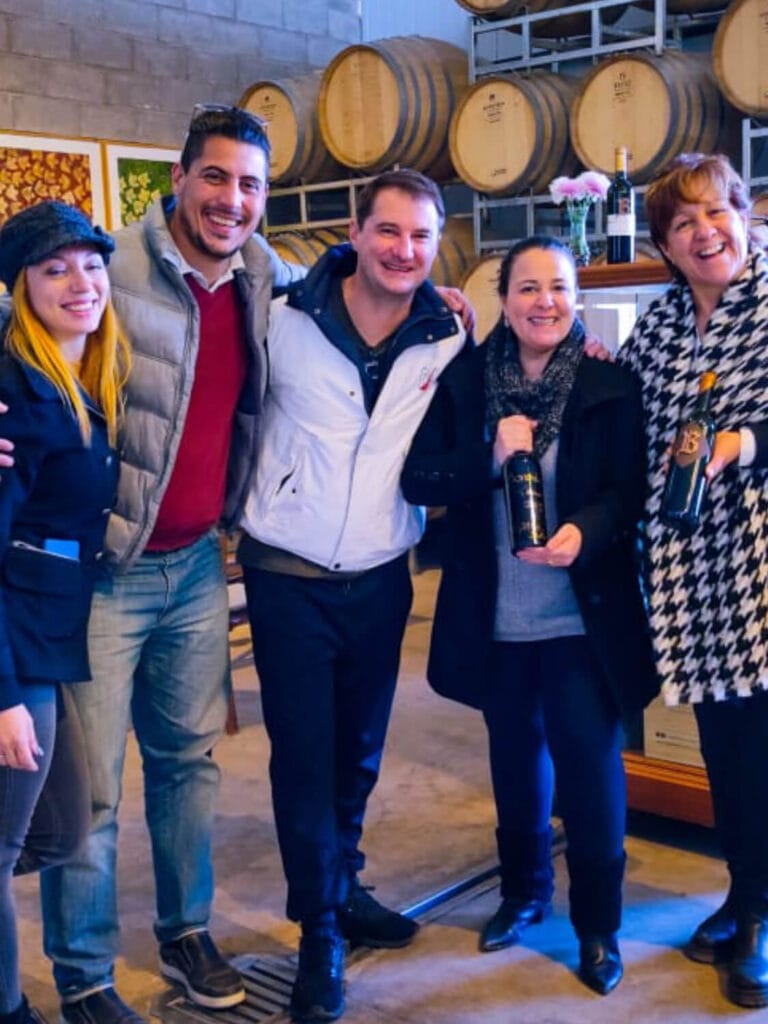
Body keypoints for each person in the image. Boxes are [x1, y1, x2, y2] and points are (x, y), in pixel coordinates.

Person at [33, 106, 306, 1024]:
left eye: (252, 185)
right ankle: (84, 974)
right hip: (107, 571)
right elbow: (17, 313)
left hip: (196, 565)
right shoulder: (110, 267)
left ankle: (186, 929)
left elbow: (354, 287)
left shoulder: (266, 275)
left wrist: (444, 300)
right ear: (179, 181)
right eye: (217, 178)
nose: (233, 200)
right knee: (96, 789)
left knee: (188, 765)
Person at [237, 168, 468, 1022]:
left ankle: (346, 886)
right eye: (389, 232)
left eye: (420, 236)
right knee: (304, 760)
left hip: (379, 575)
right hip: (288, 575)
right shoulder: (284, 318)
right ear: (355, 231)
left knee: (360, 755)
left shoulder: (445, 334)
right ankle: (320, 937)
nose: (404, 251)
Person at [402, 236, 659, 995]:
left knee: (590, 773)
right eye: (527, 288)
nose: (544, 301)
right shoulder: (468, 382)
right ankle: (521, 895)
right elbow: (420, 477)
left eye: (558, 287)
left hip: (583, 620)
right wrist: (487, 454)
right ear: (503, 301)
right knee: (514, 769)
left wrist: (588, 530)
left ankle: (599, 928)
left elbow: (629, 491)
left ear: (575, 298)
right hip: (498, 622)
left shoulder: (611, 384)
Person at [617, 153, 768, 1010]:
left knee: (764, 742)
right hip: (693, 561)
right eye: (683, 223)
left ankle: (756, 914)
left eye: (717, 212)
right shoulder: (665, 319)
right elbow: (626, 402)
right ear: (666, 247)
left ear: (743, 213)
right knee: (725, 742)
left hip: (762, 552)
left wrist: (739, 445)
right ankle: (747, 893)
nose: (705, 231)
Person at [0, 201, 130, 1024]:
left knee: (63, 831)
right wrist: (4, 691)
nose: (80, 282)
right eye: (55, 269)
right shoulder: (16, 399)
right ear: (21, 288)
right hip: (18, 649)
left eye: (89, 263)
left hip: (53, 638)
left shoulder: (89, 376)